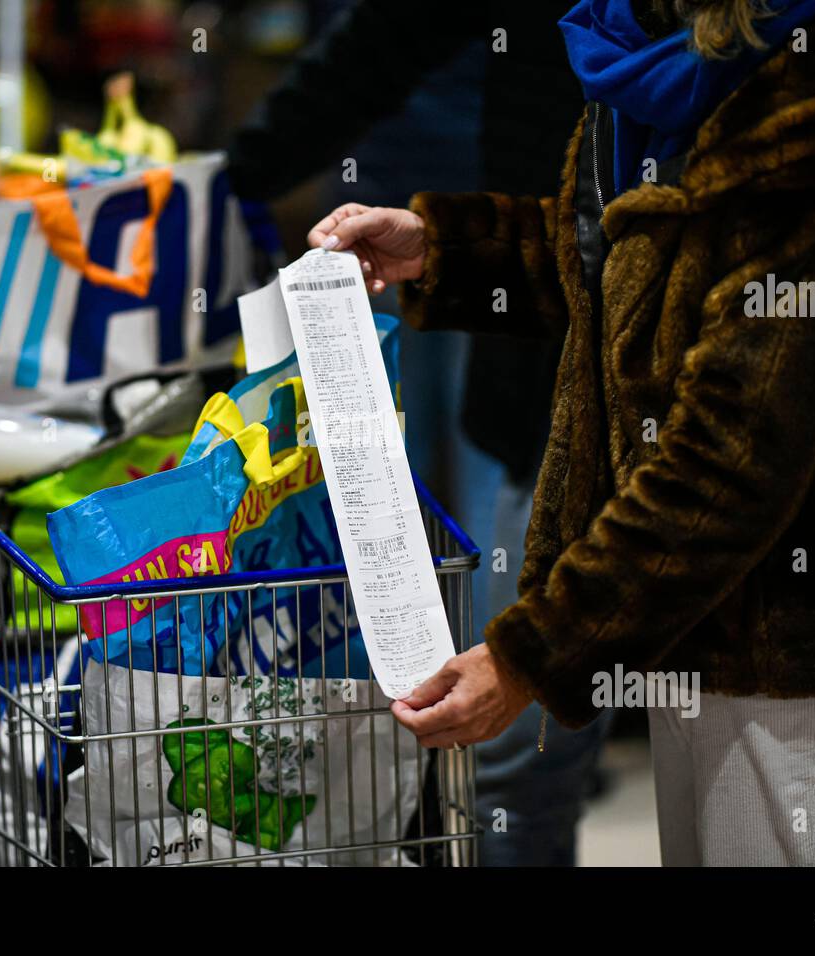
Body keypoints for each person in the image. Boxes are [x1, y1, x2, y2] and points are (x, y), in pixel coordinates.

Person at [309, 0, 815, 865]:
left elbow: (733, 461)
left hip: (803, 654)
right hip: (696, 623)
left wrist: (531, 657)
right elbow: (631, 272)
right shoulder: (646, 59)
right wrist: (444, 249)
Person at [229, 0, 614, 866]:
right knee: (478, 728)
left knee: (509, 750)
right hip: (524, 345)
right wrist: (446, 249)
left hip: (604, 396)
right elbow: (601, 239)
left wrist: (526, 660)